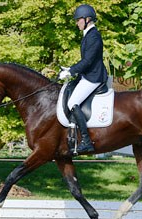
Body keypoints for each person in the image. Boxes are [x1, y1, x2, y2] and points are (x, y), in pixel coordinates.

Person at [59, 4, 108, 154]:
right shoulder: (89, 34)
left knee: (72, 102)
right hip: (88, 74)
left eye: (78, 20)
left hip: (93, 77)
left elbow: (87, 61)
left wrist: (71, 72)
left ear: (87, 19)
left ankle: (86, 141)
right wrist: (70, 69)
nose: (77, 23)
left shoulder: (94, 36)